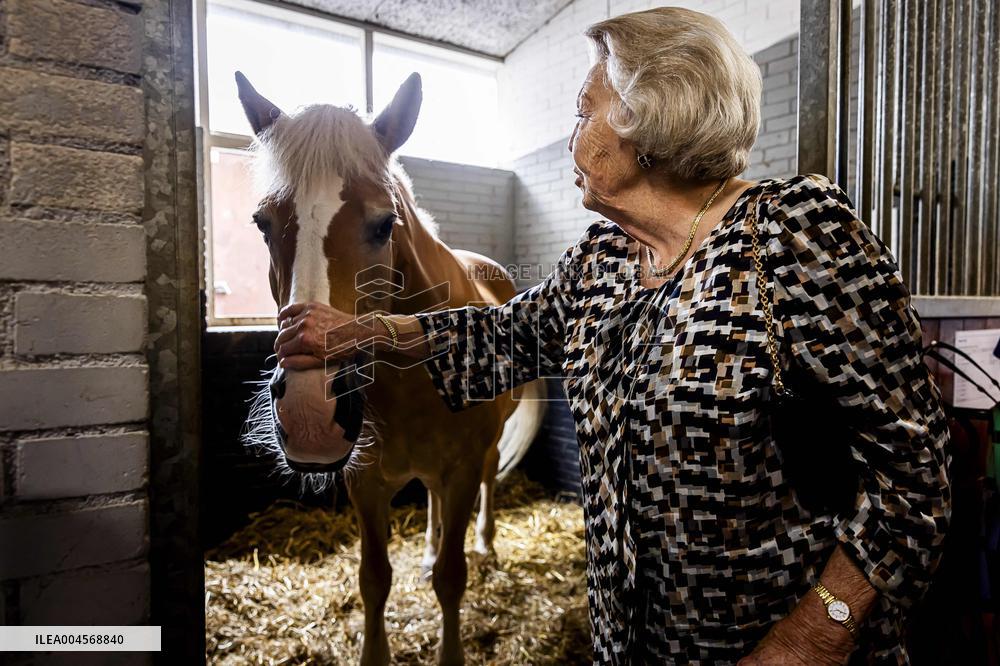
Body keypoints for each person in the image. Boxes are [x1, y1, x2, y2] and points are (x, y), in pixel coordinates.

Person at [272, 7, 951, 664]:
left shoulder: (795, 234)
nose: (572, 136)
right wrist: (361, 330)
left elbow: (914, 481)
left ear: (647, 116)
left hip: (773, 647)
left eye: (582, 110)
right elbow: (502, 336)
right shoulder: (606, 257)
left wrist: (814, 637)